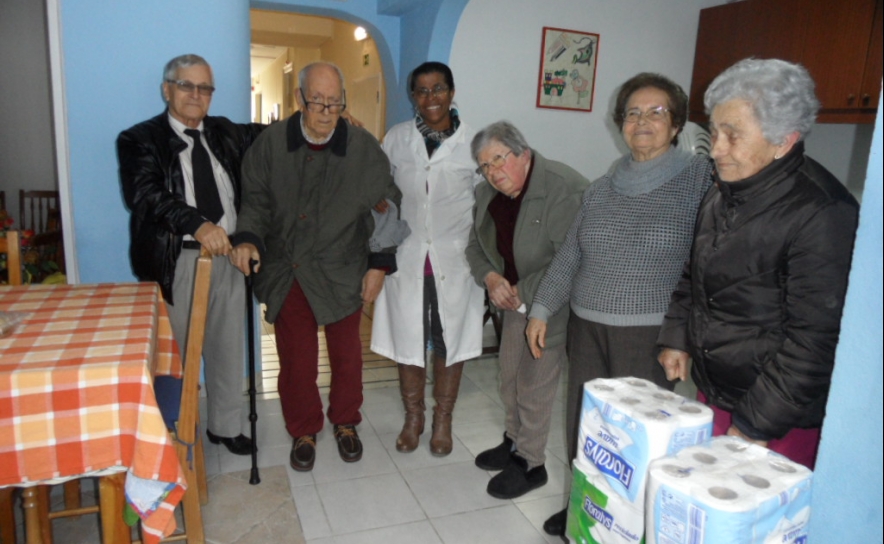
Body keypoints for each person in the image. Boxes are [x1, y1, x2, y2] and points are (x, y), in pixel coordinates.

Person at [527, 72, 714, 536]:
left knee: (637, 441)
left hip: (649, 335)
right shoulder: (602, 187)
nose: (642, 121)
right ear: (620, 123)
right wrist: (541, 308)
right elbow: (571, 253)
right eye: (632, 112)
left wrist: (683, 334)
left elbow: (707, 264)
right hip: (587, 328)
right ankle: (583, 508)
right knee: (587, 429)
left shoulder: (699, 181)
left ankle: (633, 526)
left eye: (656, 112)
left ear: (676, 125)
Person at [657, 58, 859, 470]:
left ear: (784, 140)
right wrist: (677, 336)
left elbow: (815, 343)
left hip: (778, 418)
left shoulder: (823, 212)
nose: (716, 150)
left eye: (732, 136)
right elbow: (692, 274)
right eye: (714, 133)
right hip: (717, 392)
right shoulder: (722, 192)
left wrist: (753, 424)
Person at [230, 62, 401, 472]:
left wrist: (379, 264)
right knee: (297, 361)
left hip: (343, 266)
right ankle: (303, 428)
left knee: (347, 357)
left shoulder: (362, 148)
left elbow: (388, 205)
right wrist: (249, 239)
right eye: (317, 102)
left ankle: (345, 421)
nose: (326, 111)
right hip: (288, 270)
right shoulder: (270, 145)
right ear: (299, 100)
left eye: (335, 102)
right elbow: (254, 202)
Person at [117, 54, 264, 455]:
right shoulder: (138, 139)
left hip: (230, 257)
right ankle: (168, 428)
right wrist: (197, 224)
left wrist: (321, 120)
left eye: (204, 88)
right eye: (186, 85)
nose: (196, 95)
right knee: (174, 353)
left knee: (227, 346)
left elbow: (275, 137)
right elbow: (145, 194)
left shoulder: (227, 133)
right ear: (167, 89)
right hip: (176, 260)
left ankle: (225, 425)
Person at [466, 121, 588, 499]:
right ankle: (514, 439)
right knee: (509, 376)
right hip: (515, 300)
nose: (493, 173)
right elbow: (475, 247)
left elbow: (572, 259)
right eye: (484, 166)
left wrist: (521, 289)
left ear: (523, 153)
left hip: (555, 302)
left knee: (535, 384)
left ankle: (531, 463)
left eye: (498, 160)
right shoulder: (489, 194)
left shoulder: (561, 188)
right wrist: (490, 278)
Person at [371, 62, 486, 456]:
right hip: (407, 257)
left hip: (456, 261)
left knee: (448, 340)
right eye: (421, 91)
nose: (430, 98)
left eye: (438, 89)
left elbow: (488, 203)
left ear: (452, 92)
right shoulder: (397, 139)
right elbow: (381, 192)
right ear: (413, 98)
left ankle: (443, 421)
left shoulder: (475, 142)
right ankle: (414, 418)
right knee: (410, 340)